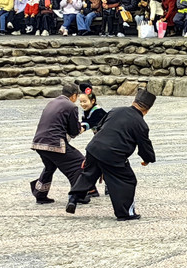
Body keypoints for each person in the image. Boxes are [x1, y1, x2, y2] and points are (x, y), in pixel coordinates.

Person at [66, 88, 156, 220]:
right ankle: (125, 213)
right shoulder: (140, 123)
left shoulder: (116, 110)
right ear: (147, 110)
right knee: (127, 180)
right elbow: (144, 144)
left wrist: (92, 155)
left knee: (89, 174)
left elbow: (100, 126)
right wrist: (148, 159)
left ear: (134, 101)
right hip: (113, 154)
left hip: (94, 147)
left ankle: (73, 198)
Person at [30, 83, 85, 205]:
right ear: (74, 95)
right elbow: (74, 130)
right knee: (79, 162)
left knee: (50, 166)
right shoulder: (71, 107)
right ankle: (77, 195)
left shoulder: (51, 102)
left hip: (38, 142)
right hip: (54, 143)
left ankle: (40, 193)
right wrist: (80, 128)